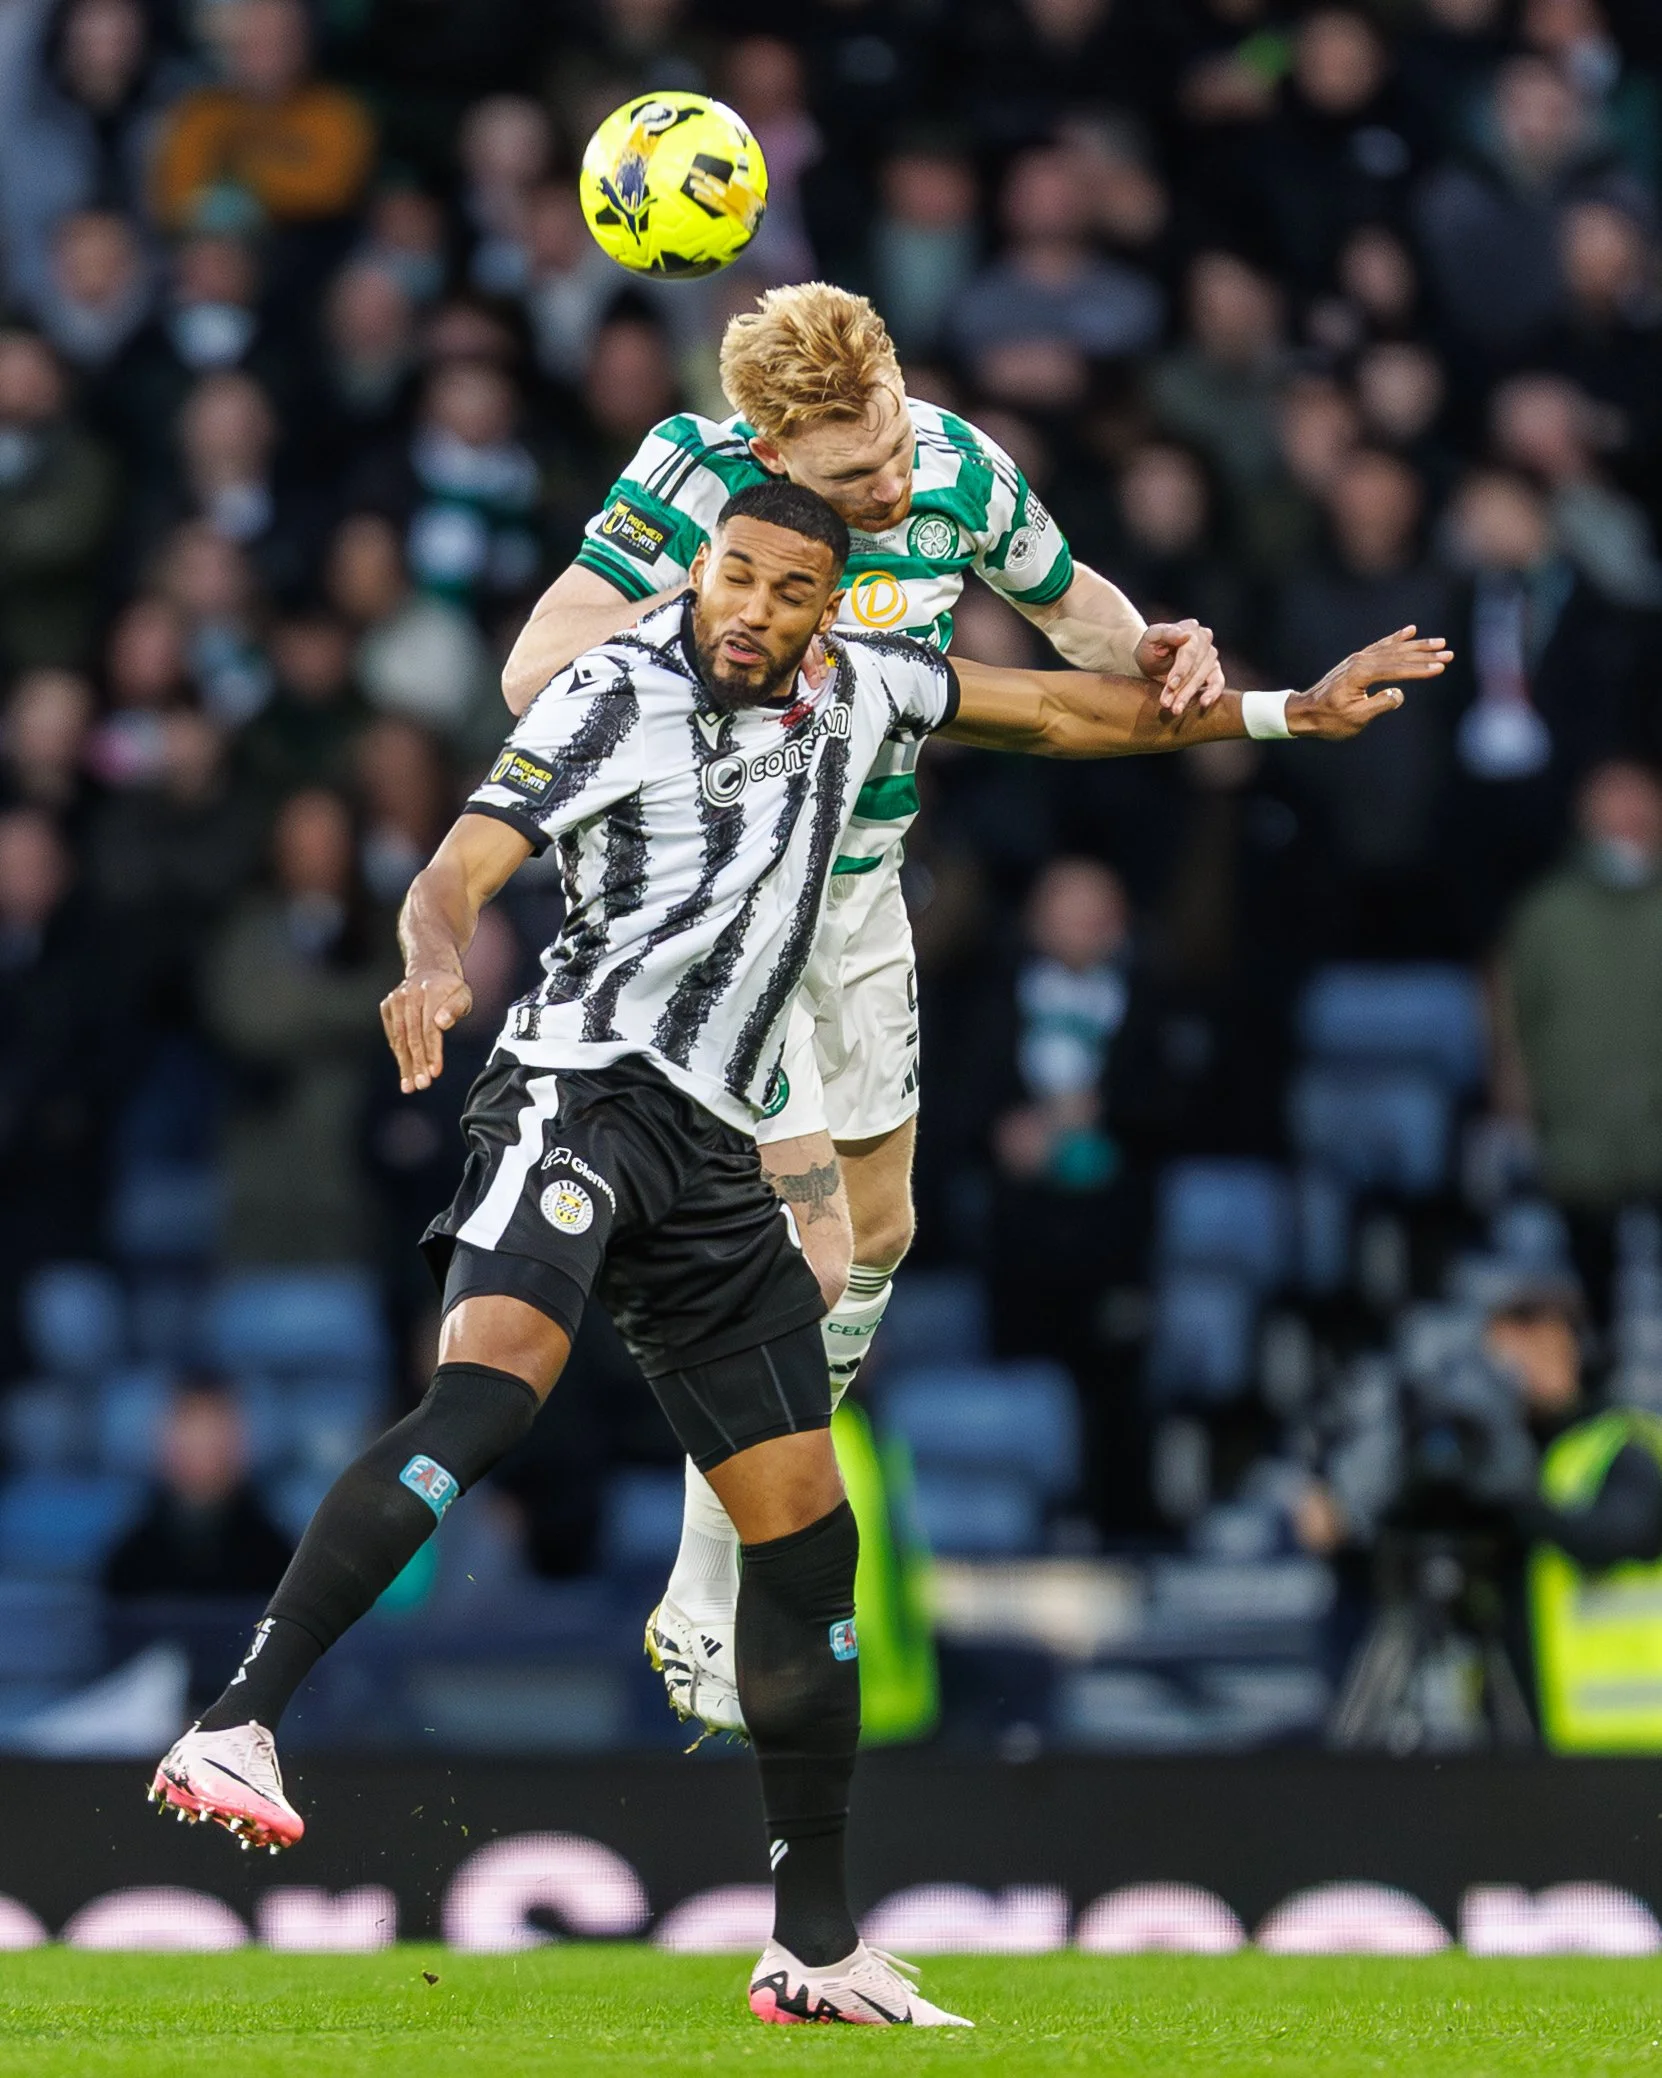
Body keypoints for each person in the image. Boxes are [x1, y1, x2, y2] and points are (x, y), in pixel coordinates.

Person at [149, 479, 1438, 2026]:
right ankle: (238, 1719)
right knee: (489, 1393)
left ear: (833, 602)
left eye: (786, 589)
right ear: (703, 566)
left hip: (714, 1153)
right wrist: (427, 963)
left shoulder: (874, 686)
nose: (751, 608)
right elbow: (457, 865)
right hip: (578, 1093)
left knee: (809, 1540)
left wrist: (1293, 707)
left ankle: (813, 1947)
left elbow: (1076, 714)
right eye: (734, 576)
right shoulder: (612, 685)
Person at [499, 279, 1228, 1738]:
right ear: (769, 450)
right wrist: (719, 594)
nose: (888, 480)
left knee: (875, 1238)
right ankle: (713, 1586)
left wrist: (1156, 646)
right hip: (723, 897)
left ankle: (720, 1568)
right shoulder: (687, 479)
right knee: (800, 1240)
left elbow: (1070, 607)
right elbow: (533, 670)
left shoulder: (957, 464)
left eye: (888, 436)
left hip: (863, 888)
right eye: (846, 475)